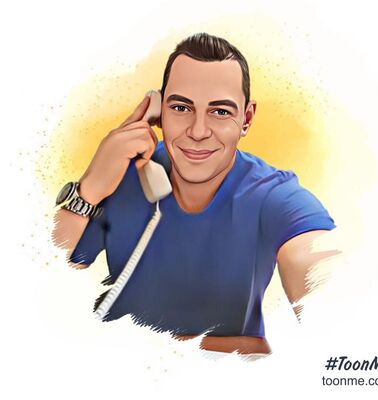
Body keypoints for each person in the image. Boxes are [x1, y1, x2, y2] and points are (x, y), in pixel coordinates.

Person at [52, 32, 341, 356]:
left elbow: (325, 287)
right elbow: (44, 276)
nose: (198, 131)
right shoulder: (120, 173)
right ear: (158, 112)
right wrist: (91, 186)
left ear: (246, 119)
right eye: (181, 107)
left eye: (220, 112)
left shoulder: (275, 196)